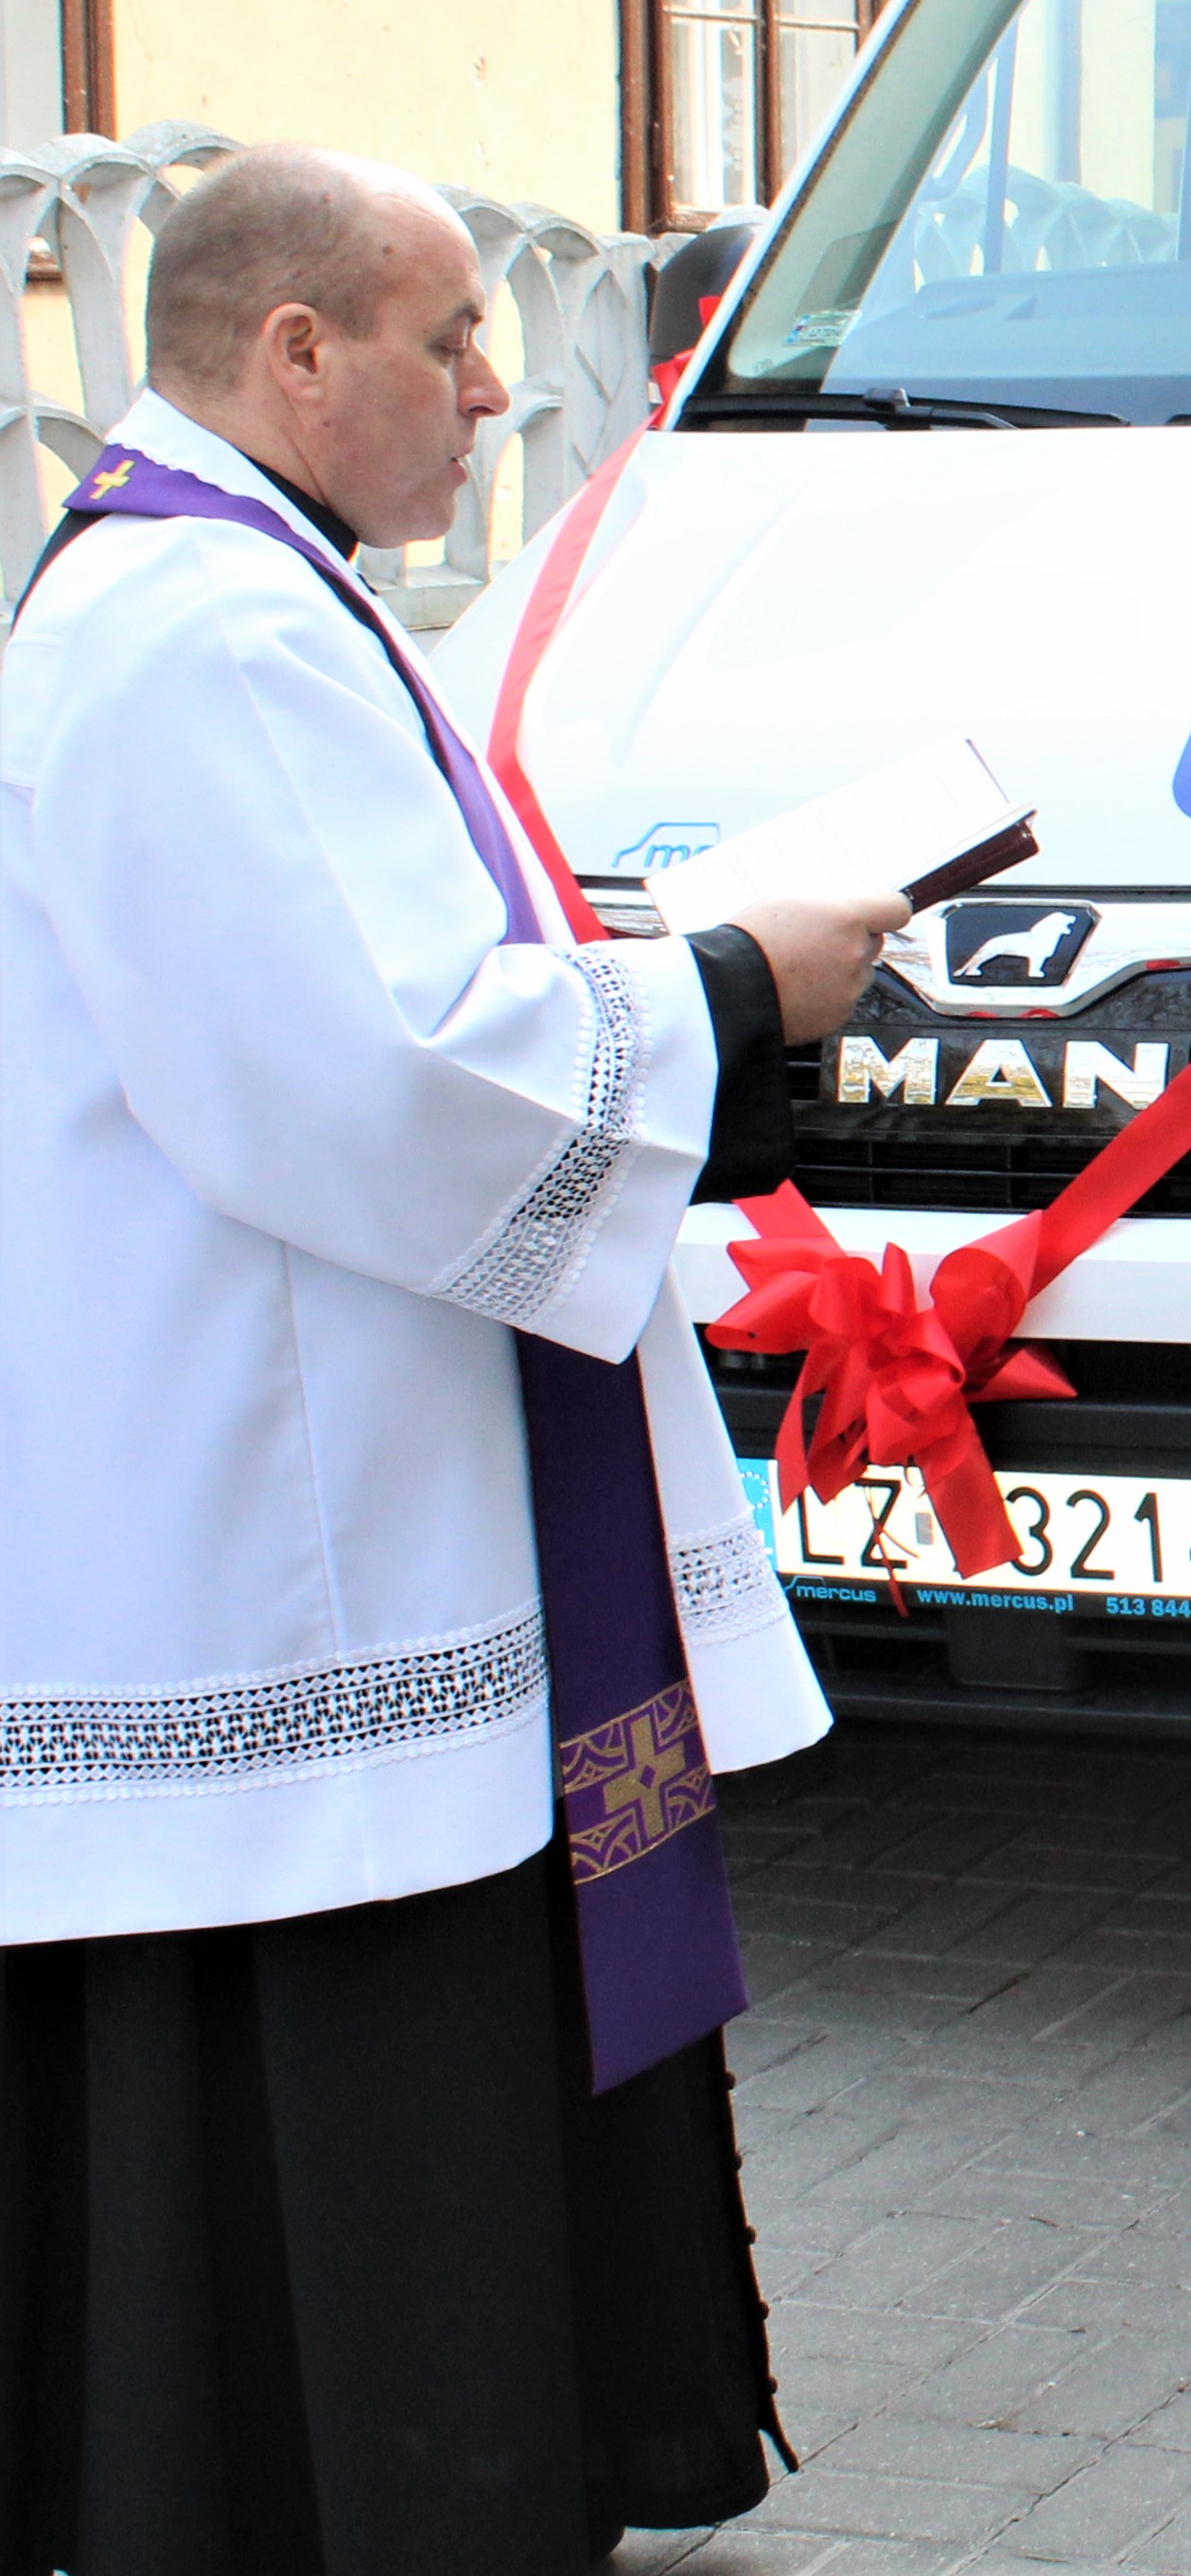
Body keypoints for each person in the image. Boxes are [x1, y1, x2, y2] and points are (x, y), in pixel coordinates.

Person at [0, 148, 902, 2566]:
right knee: (335, 2043)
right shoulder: (203, 629)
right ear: (295, 352)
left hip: (323, 1461)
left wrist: (658, 962)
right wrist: (732, 989)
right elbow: (373, 1069)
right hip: (274, 1515)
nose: (498, 388)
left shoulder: (251, 587)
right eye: (447, 337)